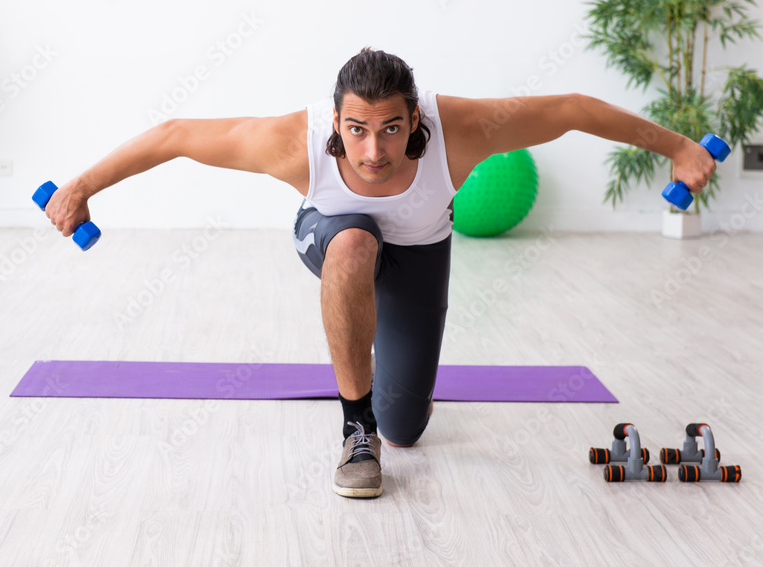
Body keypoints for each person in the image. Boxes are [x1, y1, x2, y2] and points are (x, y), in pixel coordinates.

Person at [43, 47, 718, 499]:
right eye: (357, 129)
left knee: (409, 429)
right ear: (334, 121)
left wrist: (681, 147)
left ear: (415, 118)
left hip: (423, 252)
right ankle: (354, 431)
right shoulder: (291, 140)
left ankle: (389, 413)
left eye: (392, 129)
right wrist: (82, 186)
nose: (374, 150)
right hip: (332, 240)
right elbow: (173, 134)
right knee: (354, 247)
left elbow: (571, 109)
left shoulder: (463, 128)